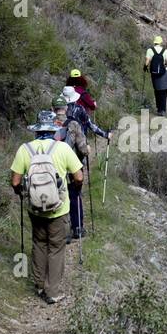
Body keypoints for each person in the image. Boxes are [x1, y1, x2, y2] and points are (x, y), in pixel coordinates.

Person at [10, 110, 84, 305]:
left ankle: (40, 285)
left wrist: (22, 193)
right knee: (56, 247)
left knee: (39, 243)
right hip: (58, 209)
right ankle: (51, 292)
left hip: (35, 209)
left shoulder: (24, 149)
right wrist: (75, 189)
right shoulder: (62, 149)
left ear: (37, 130)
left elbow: (15, 181)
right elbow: (79, 177)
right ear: (54, 130)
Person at [61, 86, 109, 241]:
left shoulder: (52, 117)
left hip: (55, 162)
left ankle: (61, 229)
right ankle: (77, 227)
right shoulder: (79, 111)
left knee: (60, 193)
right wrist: (105, 135)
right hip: (74, 160)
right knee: (75, 194)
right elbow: (90, 126)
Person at [144, 35, 167, 116]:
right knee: (164, 91)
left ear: (155, 42)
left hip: (154, 73)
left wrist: (145, 67)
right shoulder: (165, 50)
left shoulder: (150, 50)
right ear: (161, 43)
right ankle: (163, 110)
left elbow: (147, 61)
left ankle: (158, 109)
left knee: (157, 91)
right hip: (163, 73)